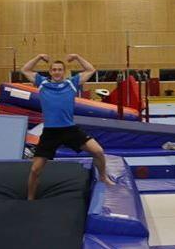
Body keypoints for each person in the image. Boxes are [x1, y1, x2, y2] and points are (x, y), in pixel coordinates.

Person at [21, 53, 115, 200]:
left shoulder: (72, 83)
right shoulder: (42, 83)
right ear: (50, 72)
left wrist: (77, 57)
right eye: (54, 69)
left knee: (98, 151)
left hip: (69, 129)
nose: (57, 72)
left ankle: (103, 177)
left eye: (59, 69)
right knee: (35, 170)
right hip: (50, 133)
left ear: (63, 72)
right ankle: (30, 198)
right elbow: (25, 70)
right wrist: (39, 57)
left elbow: (90, 70)